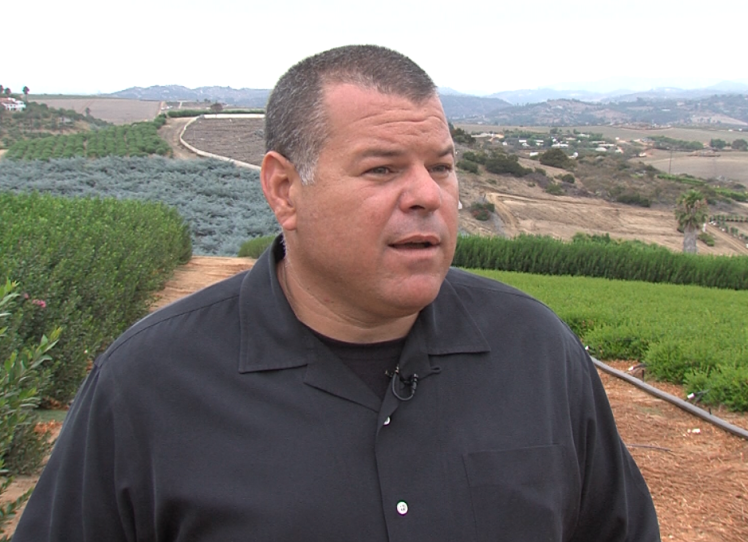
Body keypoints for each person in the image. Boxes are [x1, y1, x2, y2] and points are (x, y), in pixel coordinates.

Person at [13, 45, 660, 541]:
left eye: (440, 167)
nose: (426, 195)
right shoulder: (146, 385)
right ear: (284, 190)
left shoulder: (538, 351)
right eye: (382, 169)